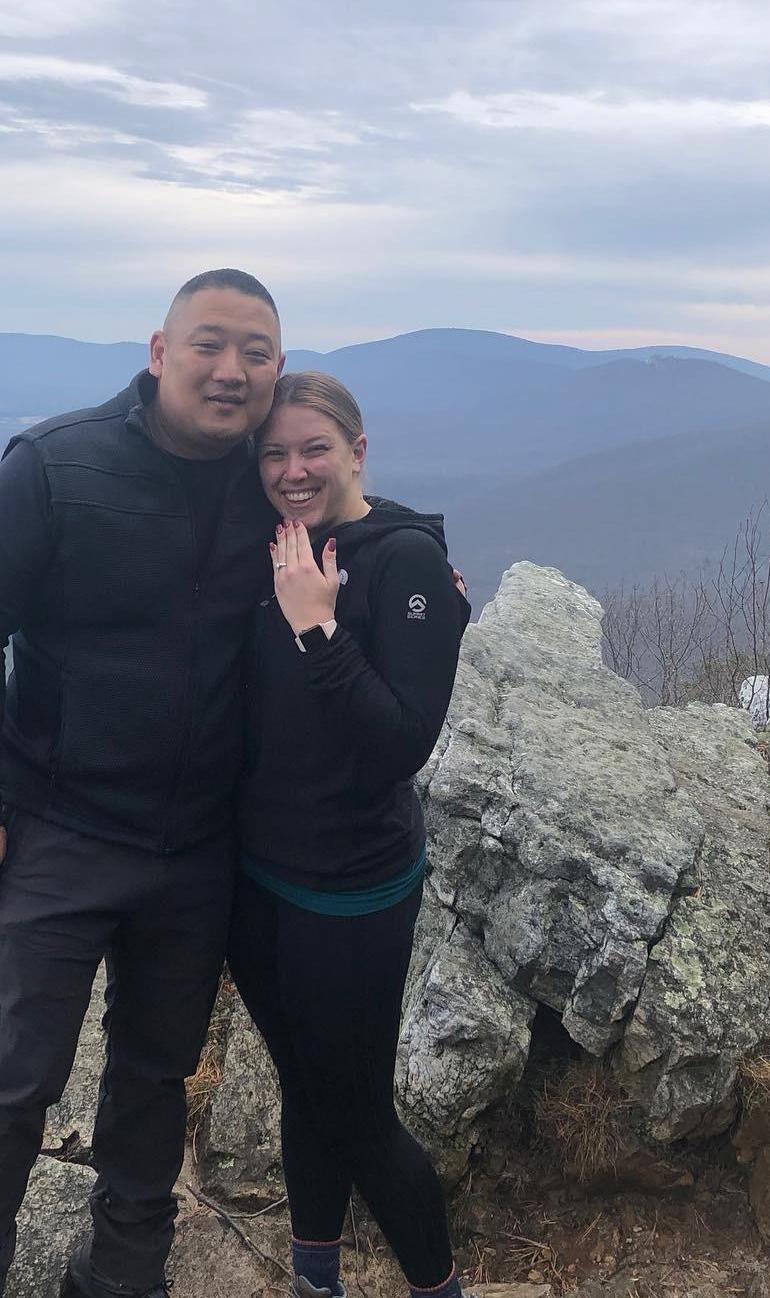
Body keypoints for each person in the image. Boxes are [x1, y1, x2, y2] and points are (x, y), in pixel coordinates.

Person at [0, 269, 284, 1298]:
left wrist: (417, 572)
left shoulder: (266, 479)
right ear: (161, 351)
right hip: (59, 828)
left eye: (256, 352)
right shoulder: (53, 466)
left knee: (155, 1074)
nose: (232, 370)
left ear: (276, 370)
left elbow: (348, 515)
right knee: (18, 1076)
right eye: (210, 344)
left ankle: (124, 1275)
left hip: (198, 844)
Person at [228, 371, 471, 1298]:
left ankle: (439, 1289)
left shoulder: (402, 561)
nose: (293, 470)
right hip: (257, 882)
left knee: (361, 1116)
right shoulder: (274, 542)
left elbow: (399, 745)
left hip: (351, 889)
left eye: (314, 450)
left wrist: (318, 629)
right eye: (274, 453)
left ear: (357, 453)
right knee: (307, 1092)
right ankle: (315, 1280)